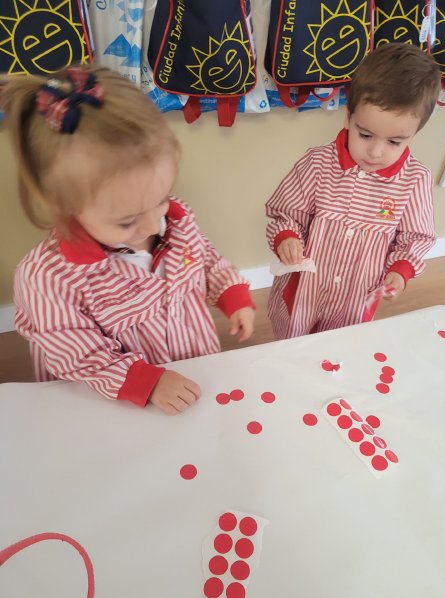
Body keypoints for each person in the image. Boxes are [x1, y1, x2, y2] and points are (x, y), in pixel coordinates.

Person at [1, 66, 255, 415]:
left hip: (195, 370)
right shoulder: (46, 278)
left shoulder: (175, 220)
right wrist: (146, 382)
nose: (152, 225)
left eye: (161, 198)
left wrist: (232, 293)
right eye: (127, 221)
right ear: (62, 205)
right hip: (117, 402)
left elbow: (205, 258)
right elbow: (75, 353)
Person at [266, 42, 441, 339]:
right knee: (292, 349)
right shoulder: (317, 163)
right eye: (365, 134)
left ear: (413, 135)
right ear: (348, 117)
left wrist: (400, 269)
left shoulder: (415, 180)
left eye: (394, 142)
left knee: (342, 349)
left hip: (354, 301)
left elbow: (416, 237)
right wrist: (287, 237)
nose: (375, 152)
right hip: (304, 293)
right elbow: (287, 214)